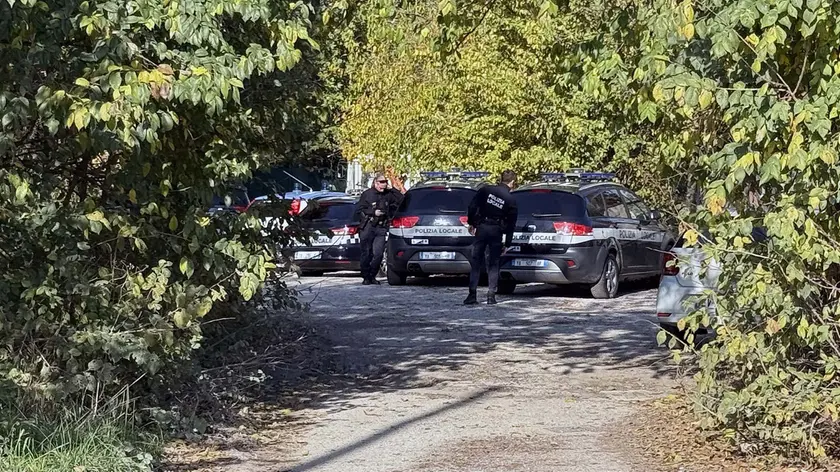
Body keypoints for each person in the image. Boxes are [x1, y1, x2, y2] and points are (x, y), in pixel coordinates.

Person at [464, 170, 518, 305]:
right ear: (512, 182)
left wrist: (471, 223)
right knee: (494, 263)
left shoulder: (485, 190)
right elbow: (511, 224)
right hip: (496, 231)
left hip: (481, 228)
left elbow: (472, 206)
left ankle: (472, 294)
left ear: (501, 179)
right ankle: (491, 296)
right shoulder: (511, 200)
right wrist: (508, 243)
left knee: (476, 262)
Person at [355, 173, 402, 285]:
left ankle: (372, 275)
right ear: (375, 183)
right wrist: (373, 212)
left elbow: (401, 199)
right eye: (381, 182)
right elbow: (359, 210)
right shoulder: (367, 194)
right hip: (368, 226)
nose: (384, 184)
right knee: (366, 253)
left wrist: (392, 188)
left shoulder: (388, 194)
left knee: (379, 254)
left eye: (385, 182)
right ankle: (366, 277)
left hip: (381, 228)